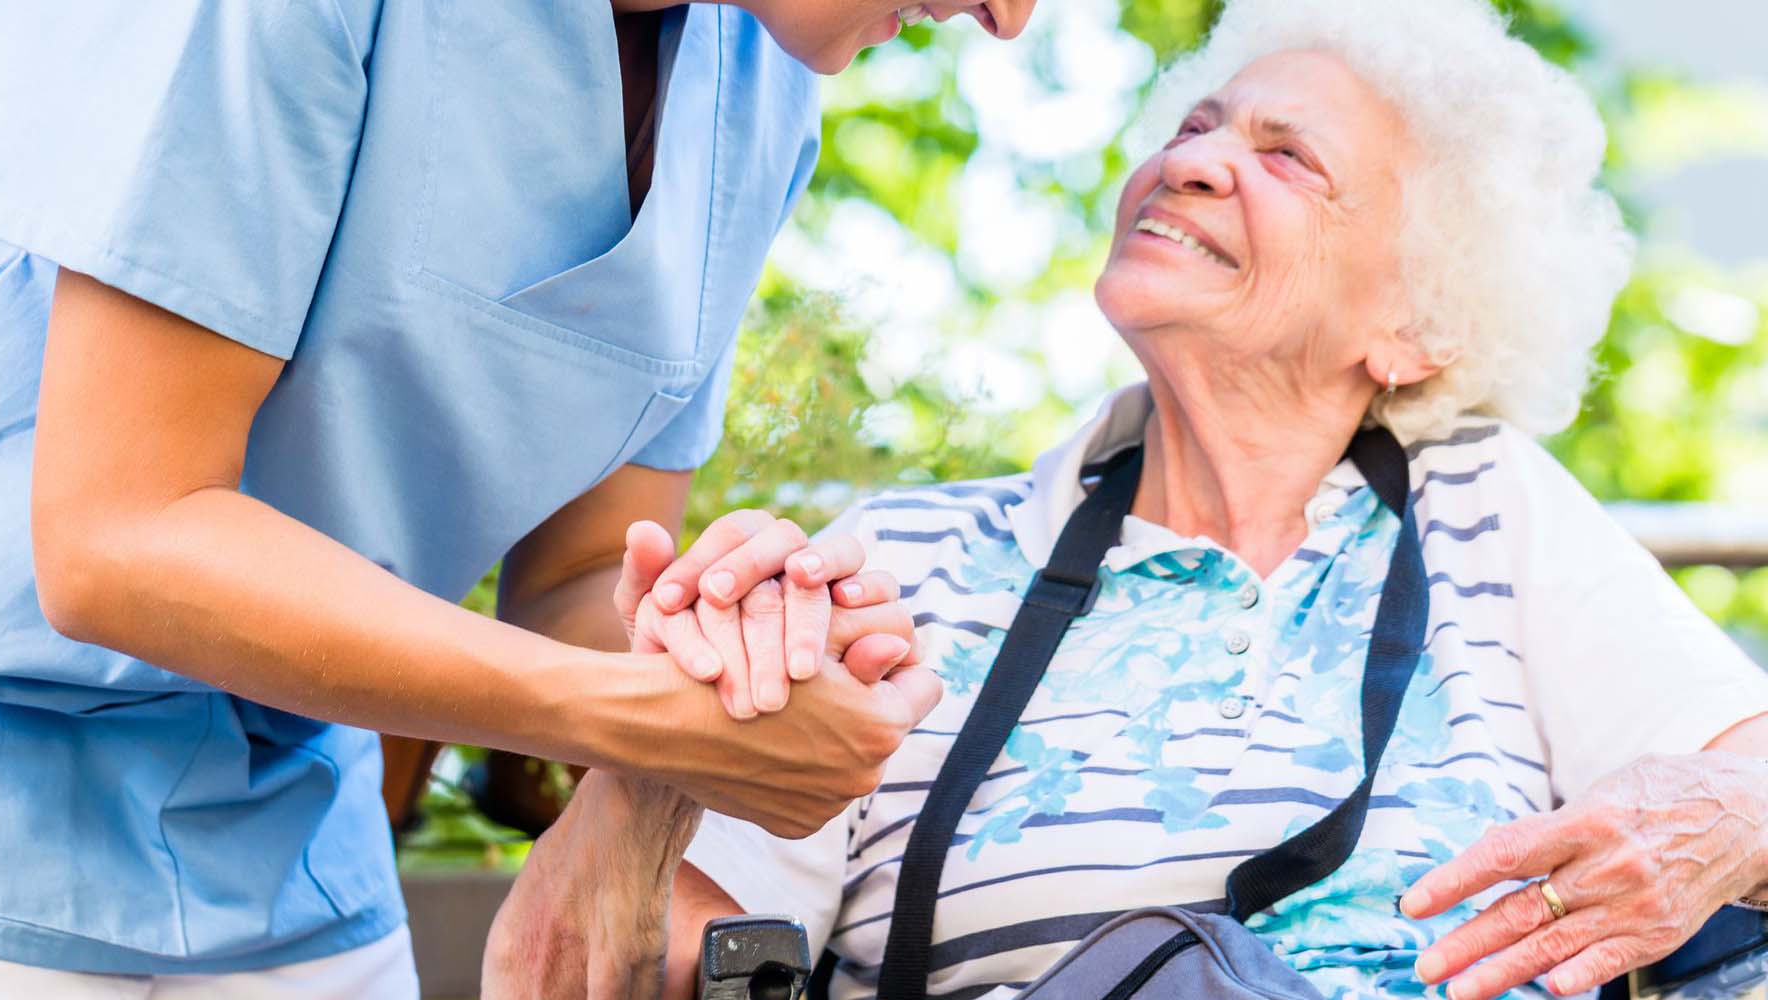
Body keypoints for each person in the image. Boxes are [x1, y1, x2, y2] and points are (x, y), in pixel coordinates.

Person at [484, 2, 1768, 998]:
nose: (1199, 162)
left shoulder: (1488, 511)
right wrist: (654, 765)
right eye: (1196, 126)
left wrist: (1726, 819)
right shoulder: (904, 563)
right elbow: (608, 974)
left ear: (1417, 324)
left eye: (1288, 159)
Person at [0, 0, 1038, 995]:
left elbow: (577, 578)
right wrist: (627, 719)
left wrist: (735, 650)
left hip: (293, 846)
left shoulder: (753, 90)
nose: (1012, 15)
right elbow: (118, 536)